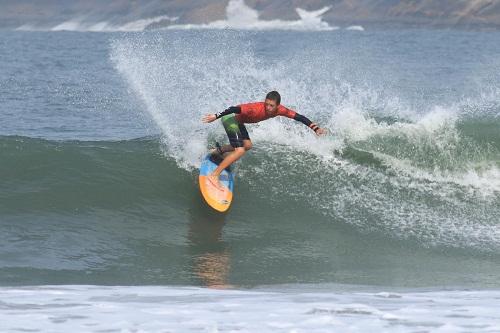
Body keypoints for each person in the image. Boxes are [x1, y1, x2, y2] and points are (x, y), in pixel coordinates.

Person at [202, 91, 326, 189]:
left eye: (271, 105)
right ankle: (214, 176)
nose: (268, 108)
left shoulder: (281, 110)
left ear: (277, 105)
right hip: (230, 119)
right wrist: (216, 116)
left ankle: (218, 150)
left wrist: (316, 129)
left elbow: (299, 117)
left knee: (247, 145)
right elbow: (234, 109)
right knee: (239, 150)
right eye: (266, 104)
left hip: (239, 122)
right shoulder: (255, 108)